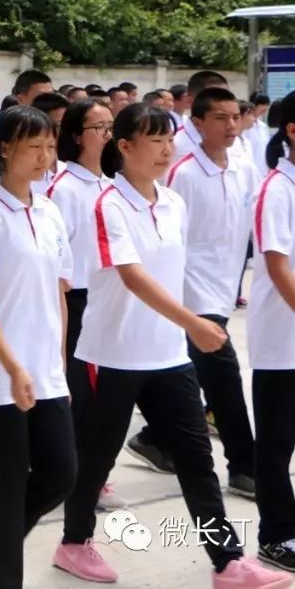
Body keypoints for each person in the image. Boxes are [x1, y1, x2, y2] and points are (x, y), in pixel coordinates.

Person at [53, 103, 285, 588]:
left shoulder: (172, 203)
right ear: (125, 146)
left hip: (168, 356)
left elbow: (175, 271)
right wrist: (194, 322)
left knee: (197, 461)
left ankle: (228, 562)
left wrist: (195, 320)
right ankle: (73, 543)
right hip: (111, 355)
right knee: (95, 458)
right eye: (153, 139)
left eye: (167, 139)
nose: (164, 149)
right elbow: (132, 276)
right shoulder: (109, 203)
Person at [0, 105, 77, 588]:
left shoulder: (48, 211)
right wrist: (12, 366)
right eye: (34, 147)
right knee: (4, 494)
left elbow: (57, 294)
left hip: (44, 372)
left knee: (61, 473)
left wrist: (58, 360)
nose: (46, 157)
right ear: (5, 148)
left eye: (50, 146)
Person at [125, 88, 258, 494]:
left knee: (188, 376)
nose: (231, 126)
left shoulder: (243, 165)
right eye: (220, 118)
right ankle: (244, 466)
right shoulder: (183, 173)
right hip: (192, 291)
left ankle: (156, 438)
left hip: (224, 286)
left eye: (235, 117)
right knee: (224, 375)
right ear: (196, 123)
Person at [46, 98, 125, 512]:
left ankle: (93, 473)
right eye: (100, 128)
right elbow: (57, 259)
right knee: (80, 392)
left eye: (111, 126)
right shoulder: (65, 189)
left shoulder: (111, 184)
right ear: (77, 136)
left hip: (109, 298)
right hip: (75, 300)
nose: (108, 135)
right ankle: (77, 477)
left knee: (106, 393)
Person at [250, 91, 295, 572]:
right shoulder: (275, 190)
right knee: (278, 442)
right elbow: (279, 267)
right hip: (282, 342)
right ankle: (276, 535)